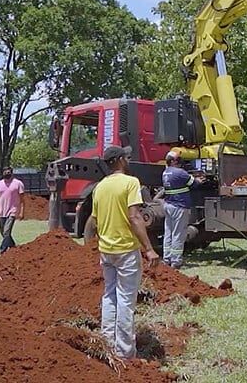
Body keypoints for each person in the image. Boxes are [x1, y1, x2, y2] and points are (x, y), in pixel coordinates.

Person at [85, 145, 159, 360]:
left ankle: (107, 344)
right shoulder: (130, 183)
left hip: (106, 250)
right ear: (119, 160)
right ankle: (125, 353)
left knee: (109, 296)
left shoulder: (99, 187)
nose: (128, 159)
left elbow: (95, 220)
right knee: (126, 300)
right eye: (125, 157)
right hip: (126, 249)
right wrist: (149, 249)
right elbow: (135, 216)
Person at [161, 150, 201, 268]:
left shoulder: (165, 172)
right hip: (179, 207)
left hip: (169, 205)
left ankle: (167, 258)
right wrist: (199, 179)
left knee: (168, 233)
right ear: (173, 161)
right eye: (179, 160)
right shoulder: (180, 173)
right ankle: (176, 261)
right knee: (178, 234)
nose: (181, 162)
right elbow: (195, 184)